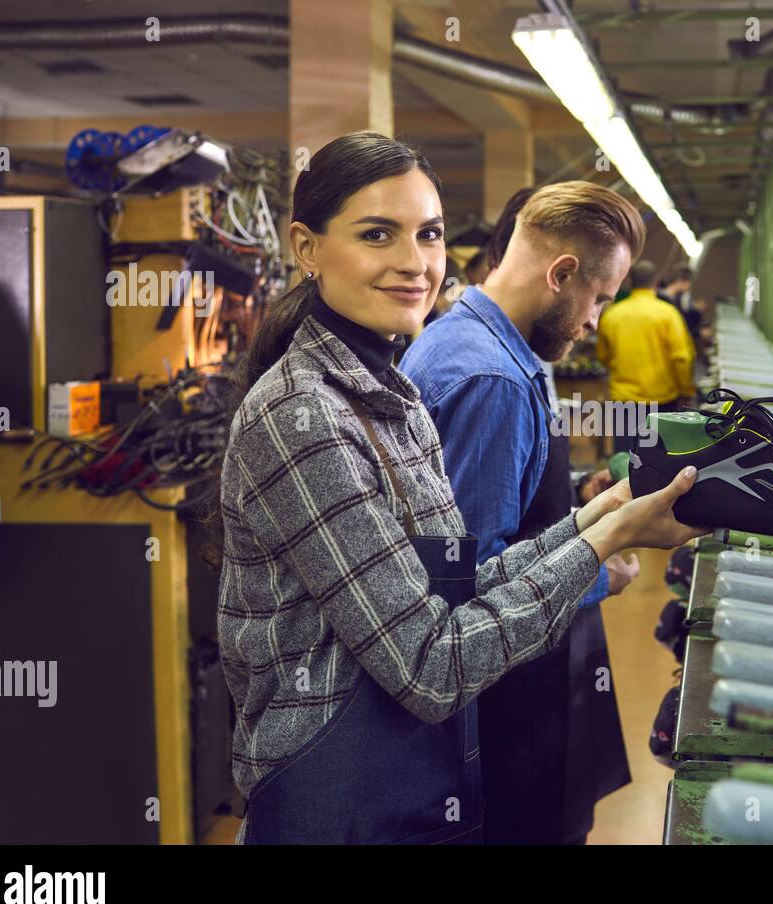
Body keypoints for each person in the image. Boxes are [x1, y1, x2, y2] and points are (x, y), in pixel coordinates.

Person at [213, 132, 705, 845]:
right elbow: (430, 662)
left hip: (410, 782)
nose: (415, 263)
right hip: (336, 802)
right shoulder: (302, 418)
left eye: (429, 234)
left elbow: (455, 585)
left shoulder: (392, 395)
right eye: (377, 234)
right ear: (307, 247)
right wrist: (600, 545)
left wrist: (598, 518)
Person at [400, 181, 644, 844]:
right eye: (598, 299)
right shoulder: (493, 381)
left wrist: (571, 493)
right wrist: (602, 572)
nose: (595, 321)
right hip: (508, 702)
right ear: (561, 273)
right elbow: (470, 581)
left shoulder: (477, 341)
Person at [596, 259, 696, 453]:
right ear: (656, 283)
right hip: (663, 402)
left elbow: (603, 356)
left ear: (630, 282)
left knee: (625, 462)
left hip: (625, 403)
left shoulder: (612, 315)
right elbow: (682, 358)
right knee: (658, 463)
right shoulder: (668, 314)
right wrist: (686, 391)